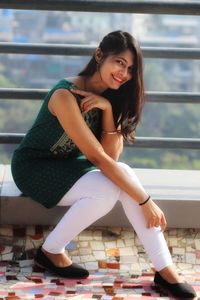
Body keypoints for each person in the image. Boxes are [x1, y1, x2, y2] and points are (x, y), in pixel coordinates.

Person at [11, 31, 196, 299]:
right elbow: (98, 159)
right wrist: (145, 200)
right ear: (99, 55)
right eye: (119, 62)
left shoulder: (111, 95)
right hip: (34, 168)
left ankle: (165, 269)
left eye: (130, 68)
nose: (124, 73)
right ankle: (50, 251)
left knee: (122, 175)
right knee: (109, 189)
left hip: (68, 166)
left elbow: (111, 156)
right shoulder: (65, 94)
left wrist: (108, 109)